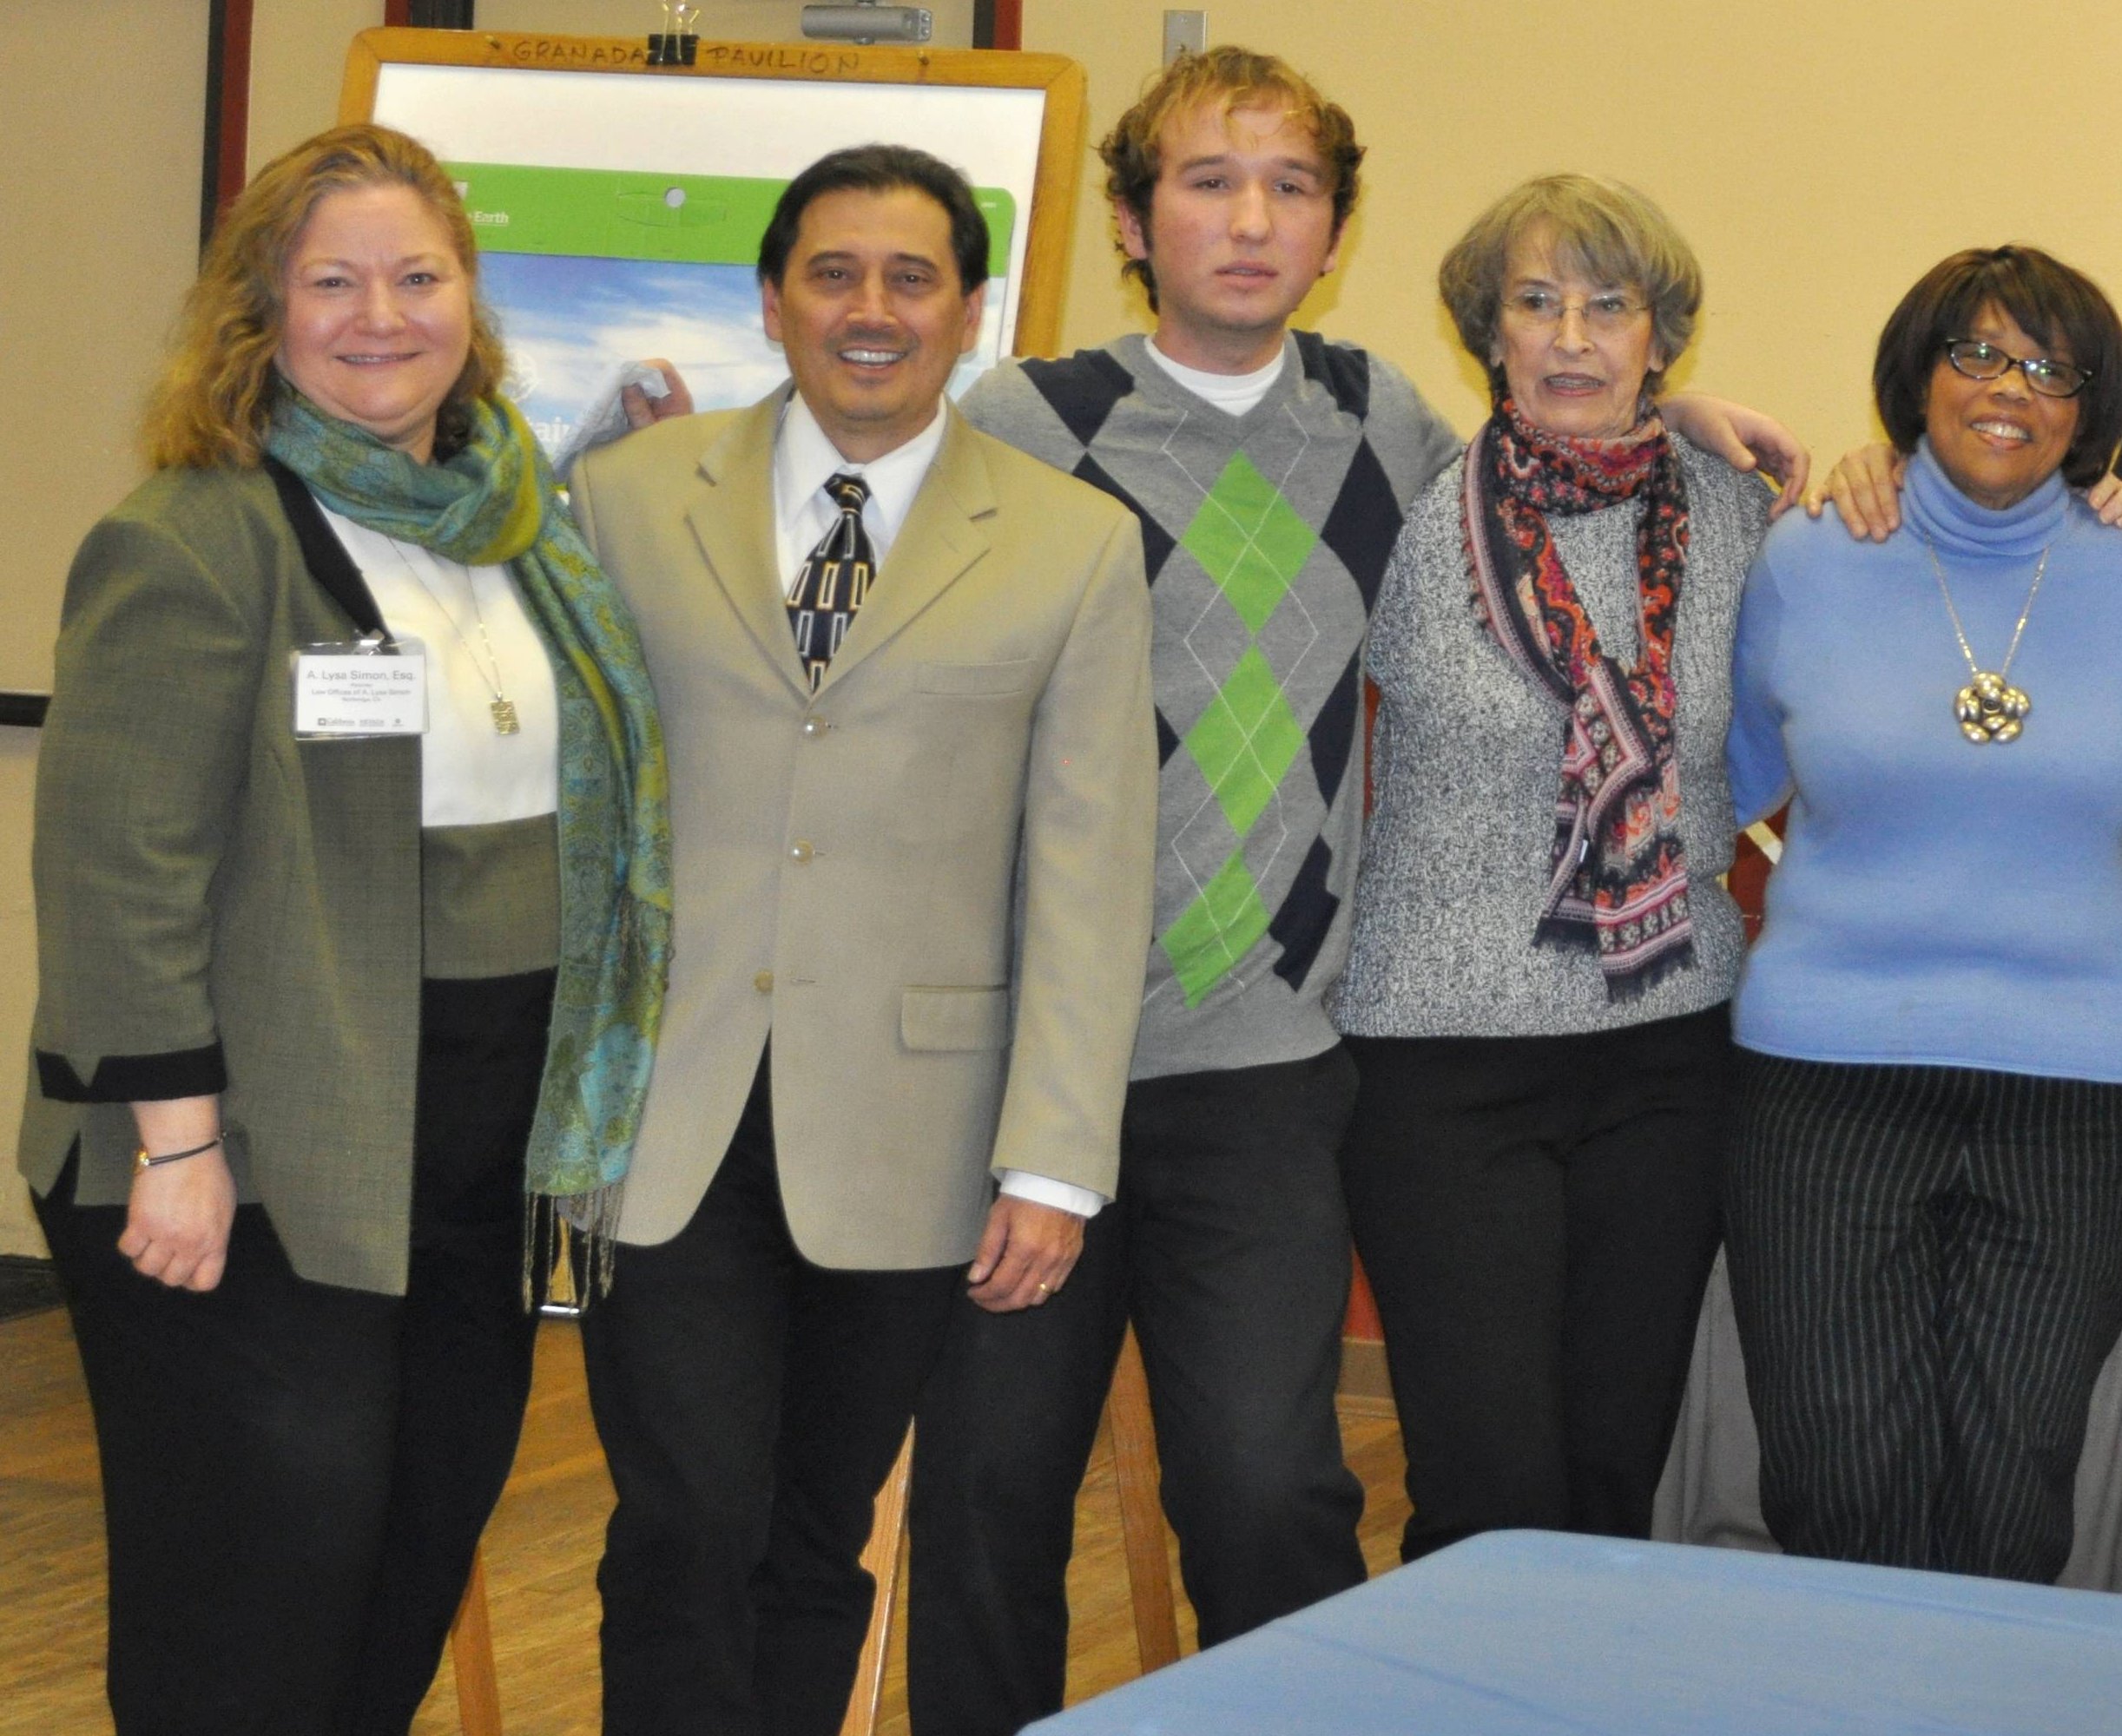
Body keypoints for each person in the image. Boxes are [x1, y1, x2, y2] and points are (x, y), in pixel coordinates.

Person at [893, 47, 1812, 1731]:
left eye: (1291, 188)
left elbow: (1587, 490)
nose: (1253, 220)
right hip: (1047, 1057)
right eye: (1210, 183)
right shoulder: (1034, 425)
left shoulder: (1391, 431)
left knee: (1277, 1493)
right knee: (990, 1494)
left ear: (1332, 230)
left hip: (1278, 1057)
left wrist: (1686, 421)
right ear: (1131, 222)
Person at [18, 122, 667, 1735]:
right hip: (246, 1151)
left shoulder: (524, 528)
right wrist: (177, 1143)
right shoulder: (194, 536)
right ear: (260, 313)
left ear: (469, 300)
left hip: (472, 1146)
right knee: (261, 1582)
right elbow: (117, 867)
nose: (382, 317)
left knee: (410, 1547)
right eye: (333, 283)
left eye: (418, 277)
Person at [563, 144, 1152, 1736]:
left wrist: (1055, 1160)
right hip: (663, 1110)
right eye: (832, 274)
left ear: (970, 310)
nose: (869, 309)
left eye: (911, 278)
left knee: (816, 1533)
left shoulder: (1073, 543)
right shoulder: (626, 498)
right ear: (772, 301)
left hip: (915, 1128)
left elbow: (1090, 867)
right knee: (685, 1519)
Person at [1719, 245, 2122, 1584]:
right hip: (1825, 1081)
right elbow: (1733, 783)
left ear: (2088, 409)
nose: (2009, 388)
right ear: (1916, 376)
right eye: (1977, 352)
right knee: (1836, 1482)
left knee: (2011, 1491)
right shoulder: (1808, 557)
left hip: (2081, 1095)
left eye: (2052, 368)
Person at [1328, 173, 1768, 1560]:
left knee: (1609, 1478)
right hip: (1443, 1061)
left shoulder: (1740, 516)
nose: (1571, 338)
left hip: (1669, 1055)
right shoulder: (1405, 504)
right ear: (1490, 332)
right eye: (1535, 303)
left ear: (1659, 338)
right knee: (1489, 1487)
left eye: (1608, 306)